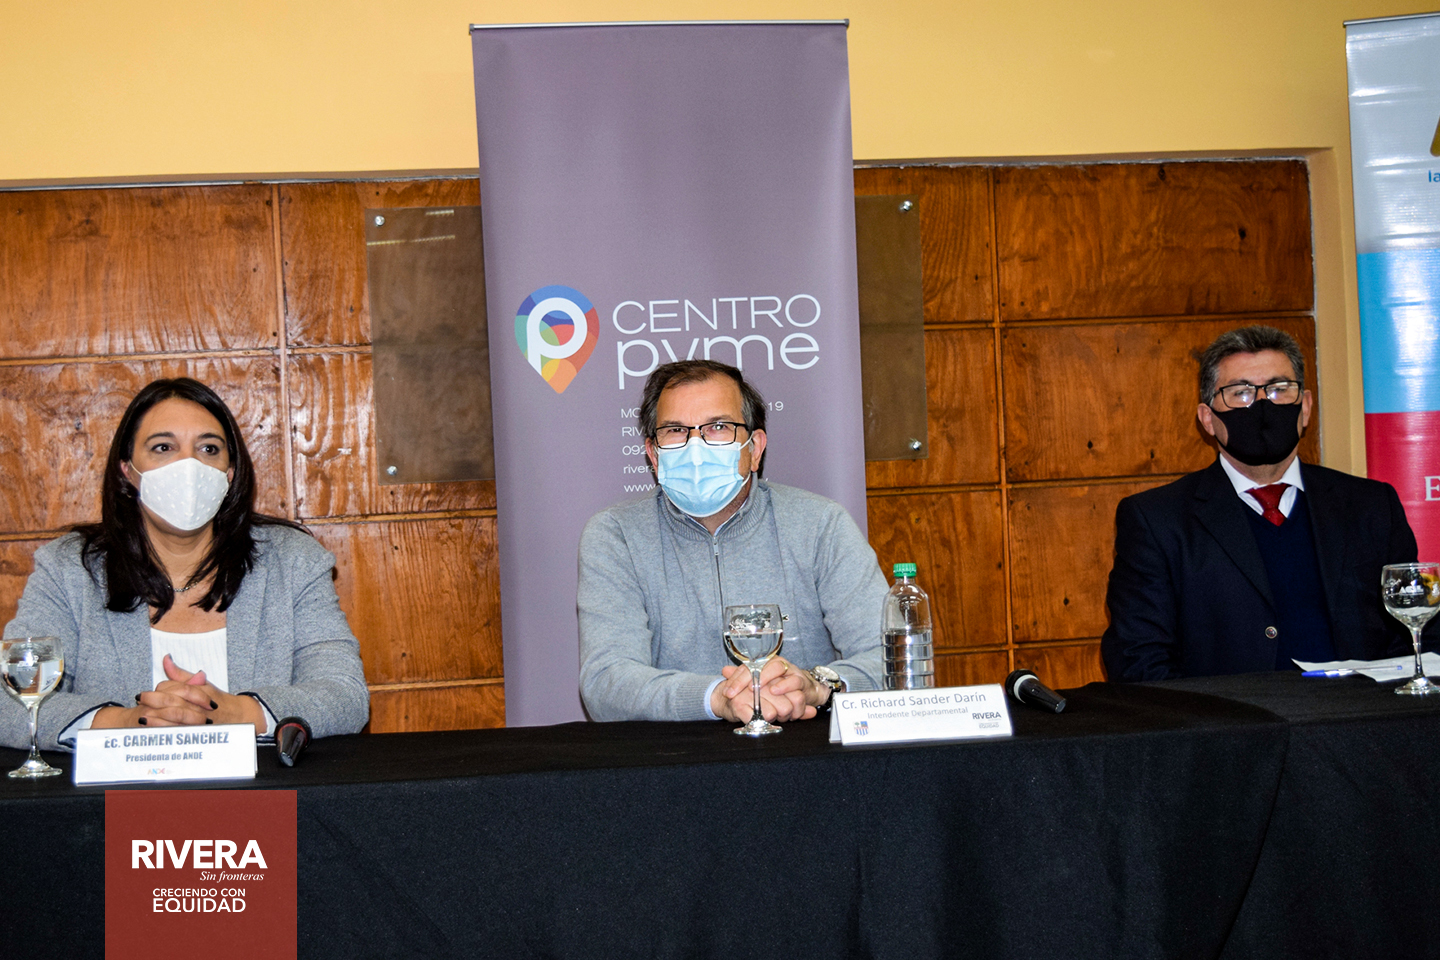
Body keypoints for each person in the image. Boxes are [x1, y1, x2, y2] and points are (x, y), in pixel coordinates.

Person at [1, 377, 369, 750]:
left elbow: (344, 695)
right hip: (121, 788)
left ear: (229, 474)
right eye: (163, 447)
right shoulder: (69, 569)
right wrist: (128, 722)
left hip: (261, 787)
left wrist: (235, 713)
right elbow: (8, 701)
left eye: (209, 449)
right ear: (127, 471)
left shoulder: (292, 560)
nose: (188, 466)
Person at [1101, 325, 1418, 682]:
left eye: (1279, 389)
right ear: (1207, 419)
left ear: (1305, 408)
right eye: (1240, 393)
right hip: (1228, 717)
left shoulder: (1372, 506)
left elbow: (1416, 632)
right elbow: (1138, 660)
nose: (1263, 405)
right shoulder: (1157, 520)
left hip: (1358, 713)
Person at [578, 360, 887, 722]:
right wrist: (718, 697)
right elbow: (606, 682)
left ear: (755, 449)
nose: (696, 448)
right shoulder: (616, 536)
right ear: (653, 455)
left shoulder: (820, 525)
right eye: (676, 430)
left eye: (718, 427)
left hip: (803, 746)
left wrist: (817, 685)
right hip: (673, 754)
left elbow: (891, 660)